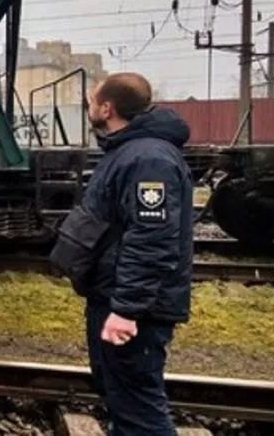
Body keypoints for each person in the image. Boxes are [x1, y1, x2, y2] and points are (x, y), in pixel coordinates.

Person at [49, 72, 193, 436]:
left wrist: (127, 310)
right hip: (115, 297)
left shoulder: (148, 159)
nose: (89, 106)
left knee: (139, 410)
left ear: (107, 108)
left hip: (133, 310)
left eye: (92, 101)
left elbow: (151, 240)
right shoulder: (132, 151)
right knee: (122, 400)